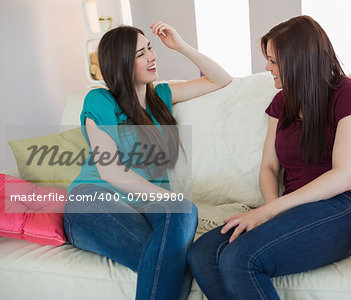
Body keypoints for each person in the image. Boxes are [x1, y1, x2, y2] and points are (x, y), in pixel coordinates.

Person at [187, 15, 351, 299]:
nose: (266, 67)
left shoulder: (347, 94)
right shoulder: (282, 102)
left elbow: (343, 176)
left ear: (299, 60)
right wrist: (273, 209)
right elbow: (269, 167)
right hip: (292, 207)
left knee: (239, 259)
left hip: (341, 207)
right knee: (203, 253)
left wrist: (269, 212)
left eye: (273, 60)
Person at [63, 22, 231, 300]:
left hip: (143, 207)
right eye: (141, 54)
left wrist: (181, 46)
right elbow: (111, 171)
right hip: (94, 201)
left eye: (150, 48)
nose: (152, 56)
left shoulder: (161, 96)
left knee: (182, 220)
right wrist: (172, 200)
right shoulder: (100, 100)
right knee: (178, 259)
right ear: (122, 64)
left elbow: (221, 79)